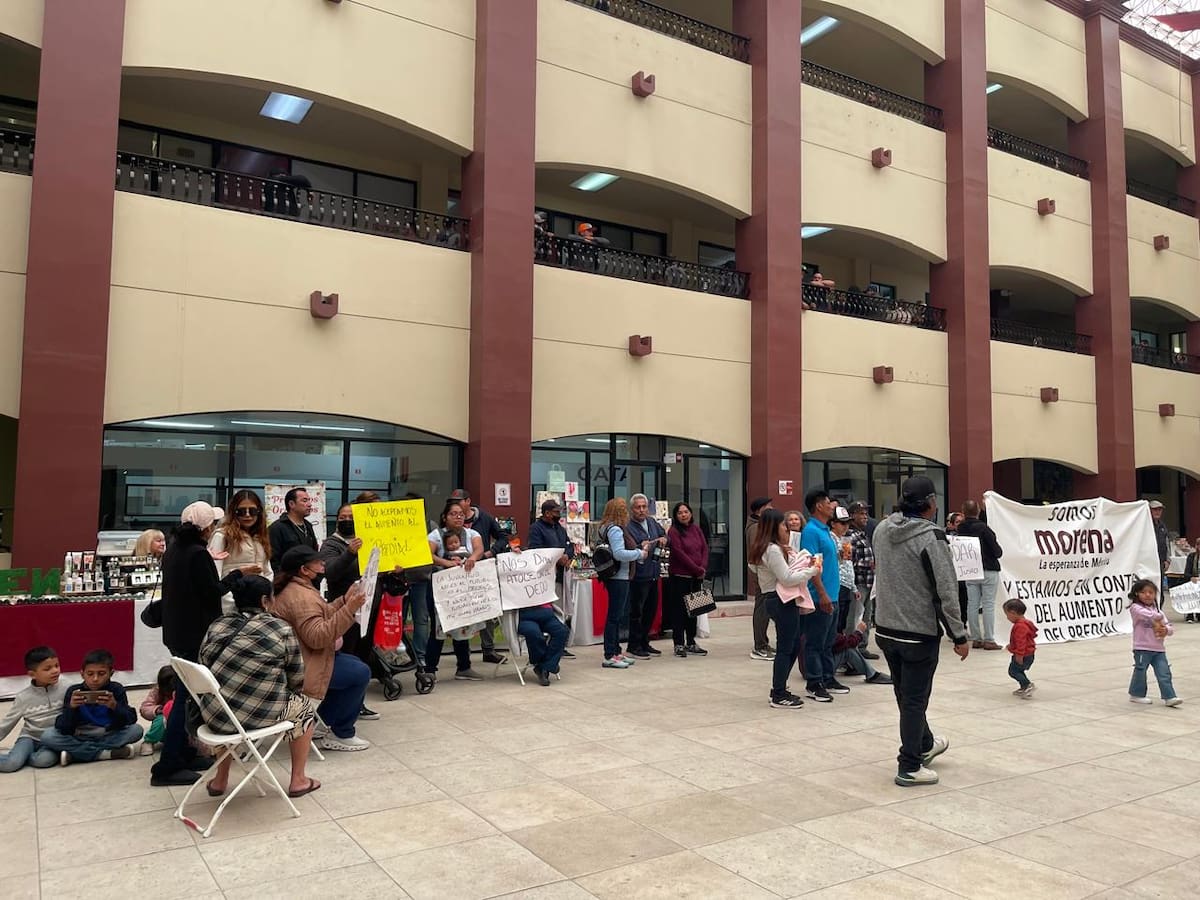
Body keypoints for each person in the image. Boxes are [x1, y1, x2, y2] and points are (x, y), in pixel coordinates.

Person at [873, 475, 969, 787]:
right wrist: (959, 635)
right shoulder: (932, 537)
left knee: (905, 695)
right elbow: (946, 589)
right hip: (918, 633)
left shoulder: (882, 529)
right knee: (915, 699)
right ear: (929, 503)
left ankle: (924, 744)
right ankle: (909, 765)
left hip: (886, 628)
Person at [152, 500, 248, 787]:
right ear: (207, 527)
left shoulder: (175, 550)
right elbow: (212, 592)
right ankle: (167, 766)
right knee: (185, 699)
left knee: (190, 697)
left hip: (176, 634)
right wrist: (238, 575)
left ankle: (183, 754)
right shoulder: (197, 554)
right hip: (195, 636)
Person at [199, 575, 321, 797]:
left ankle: (220, 780)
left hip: (214, 715)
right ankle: (298, 781)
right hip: (256, 717)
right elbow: (296, 679)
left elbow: (203, 664)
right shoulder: (279, 628)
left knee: (226, 699)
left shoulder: (218, 624)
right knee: (304, 708)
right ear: (265, 600)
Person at [272, 547, 373, 750]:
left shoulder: (299, 589)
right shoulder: (301, 597)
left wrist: (345, 600)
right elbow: (317, 638)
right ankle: (341, 732)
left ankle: (320, 721)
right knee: (360, 673)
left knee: (354, 665)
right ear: (304, 569)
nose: (322, 566)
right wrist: (350, 608)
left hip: (304, 658)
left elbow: (324, 613)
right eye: (318, 563)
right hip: (303, 666)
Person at [748, 509, 821, 709]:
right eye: (782, 525)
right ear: (773, 527)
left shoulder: (769, 548)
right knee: (786, 648)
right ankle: (778, 693)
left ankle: (779, 688)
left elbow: (756, 568)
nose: (786, 528)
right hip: (780, 599)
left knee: (794, 644)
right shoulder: (771, 550)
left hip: (777, 599)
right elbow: (787, 579)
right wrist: (811, 571)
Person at [40, 648, 143, 766]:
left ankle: (76, 754)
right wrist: (72, 708)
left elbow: (129, 720)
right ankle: (105, 754)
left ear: (111, 673)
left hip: (107, 734)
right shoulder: (74, 691)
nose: (95, 679)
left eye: (101, 673)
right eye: (90, 674)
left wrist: (115, 706)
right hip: (80, 736)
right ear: (82, 674)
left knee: (136, 730)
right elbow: (64, 727)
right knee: (48, 736)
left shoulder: (116, 689)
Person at [424, 499, 485, 682]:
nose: (458, 517)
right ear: (445, 517)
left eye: (460, 514)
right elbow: (429, 554)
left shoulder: (472, 533)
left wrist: (472, 558)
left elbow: (479, 548)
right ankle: (430, 669)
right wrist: (448, 563)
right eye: (453, 514)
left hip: (463, 590)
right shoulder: (436, 535)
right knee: (439, 627)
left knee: (463, 624)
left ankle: (464, 667)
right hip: (441, 588)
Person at [801, 488, 847, 701]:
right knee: (815, 642)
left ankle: (828, 677)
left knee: (828, 641)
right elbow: (811, 565)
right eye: (829, 502)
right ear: (819, 506)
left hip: (833, 593)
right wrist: (822, 593)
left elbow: (826, 560)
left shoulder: (825, 530)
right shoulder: (811, 531)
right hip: (821, 596)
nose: (833, 506)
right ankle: (814, 682)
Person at [451, 488, 507, 664]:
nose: (456, 506)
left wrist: (491, 552)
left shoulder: (484, 517)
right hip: (457, 572)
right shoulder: (451, 520)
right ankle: (463, 654)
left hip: (481, 569)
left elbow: (503, 537)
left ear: (468, 501)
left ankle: (488, 649)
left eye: (459, 501)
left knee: (488, 608)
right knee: (463, 610)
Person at [598, 497, 648, 669]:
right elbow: (619, 554)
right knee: (615, 616)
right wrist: (639, 554)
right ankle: (610, 654)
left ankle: (616, 651)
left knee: (617, 616)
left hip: (617, 576)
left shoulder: (606, 527)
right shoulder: (616, 530)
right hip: (619, 577)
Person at [0, 646, 67, 772]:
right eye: (47, 668)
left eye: (57, 665)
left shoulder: (67, 687)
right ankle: (19, 756)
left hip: (52, 740)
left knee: (43, 761)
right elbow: (6, 724)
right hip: (29, 738)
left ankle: (25, 757)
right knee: (11, 764)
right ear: (32, 674)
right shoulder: (23, 697)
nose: (55, 671)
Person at [526, 498, 577, 659]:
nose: (558, 514)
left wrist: (567, 555)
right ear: (547, 513)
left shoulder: (559, 528)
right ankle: (549, 643)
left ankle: (559, 645)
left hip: (561, 574)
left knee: (561, 610)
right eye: (556, 512)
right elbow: (535, 550)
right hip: (546, 577)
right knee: (551, 611)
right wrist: (556, 558)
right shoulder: (536, 528)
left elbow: (569, 545)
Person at [209, 489, 271, 613]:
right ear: (234, 512)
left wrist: (268, 596)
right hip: (231, 607)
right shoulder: (222, 536)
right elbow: (215, 575)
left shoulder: (260, 537)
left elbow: (267, 571)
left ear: (259, 512)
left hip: (259, 605)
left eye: (252, 511)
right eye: (241, 511)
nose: (247, 515)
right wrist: (231, 602)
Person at [956, 500, 1004, 650]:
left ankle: (976, 638)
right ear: (977, 511)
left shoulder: (961, 529)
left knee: (972, 604)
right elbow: (997, 551)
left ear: (963, 512)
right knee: (988, 604)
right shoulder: (984, 529)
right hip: (988, 568)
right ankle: (989, 639)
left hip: (970, 569)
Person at [665, 501, 710, 658]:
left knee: (694, 611)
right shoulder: (673, 532)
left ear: (690, 513)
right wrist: (696, 569)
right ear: (676, 516)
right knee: (679, 612)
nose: (683, 515)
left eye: (686, 512)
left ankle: (691, 642)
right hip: (680, 577)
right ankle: (679, 644)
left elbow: (704, 548)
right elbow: (679, 553)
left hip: (696, 578)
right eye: (680, 513)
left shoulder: (696, 529)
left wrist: (702, 568)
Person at [626, 493, 667, 658]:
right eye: (638, 507)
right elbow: (627, 547)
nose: (642, 510)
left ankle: (644, 642)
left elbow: (663, 534)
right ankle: (633, 645)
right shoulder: (628, 526)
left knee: (651, 610)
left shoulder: (651, 522)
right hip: (638, 575)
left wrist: (664, 539)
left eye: (644, 507)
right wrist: (639, 546)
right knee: (637, 612)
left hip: (654, 572)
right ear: (632, 509)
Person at [1127, 578, 1181, 707]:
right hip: (1142, 647)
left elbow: (1170, 628)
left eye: (1151, 592)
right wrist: (1159, 617)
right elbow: (1148, 615)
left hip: (1158, 649)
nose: (1148, 595)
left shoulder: (1158, 611)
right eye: (1144, 592)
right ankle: (1136, 694)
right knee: (1140, 671)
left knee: (1164, 672)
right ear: (1137, 594)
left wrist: (1165, 630)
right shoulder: (1135, 608)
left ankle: (1169, 696)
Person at [846, 501, 879, 659]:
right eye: (861, 513)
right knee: (855, 616)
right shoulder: (850, 536)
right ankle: (852, 650)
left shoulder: (864, 534)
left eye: (866, 513)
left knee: (867, 616)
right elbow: (848, 561)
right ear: (852, 516)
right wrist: (869, 563)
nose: (865, 516)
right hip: (858, 582)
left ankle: (862, 646)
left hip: (869, 582)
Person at [747, 497, 776, 660]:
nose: (771, 508)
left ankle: (763, 642)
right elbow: (755, 553)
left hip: (762, 572)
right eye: (768, 506)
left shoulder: (760, 525)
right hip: (761, 573)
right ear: (760, 509)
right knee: (762, 608)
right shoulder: (755, 528)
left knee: (764, 607)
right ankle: (760, 645)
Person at [268, 487, 320, 576]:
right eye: (304, 501)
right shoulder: (277, 528)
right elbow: (274, 561)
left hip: (310, 580)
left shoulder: (308, 526)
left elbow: (314, 554)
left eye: (309, 500)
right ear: (291, 504)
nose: (309, 504)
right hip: (288, 582)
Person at [1003, 599, 1037, 699]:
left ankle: (1027, 685)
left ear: (1013, 613)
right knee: (1018, 670)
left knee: (1013, 671)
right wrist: (1011, 646)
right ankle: (1023, 687)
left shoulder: (1020, 626)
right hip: (1028, 654)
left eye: (1007, 614)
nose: (1007, 618)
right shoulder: (1026, 623)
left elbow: (1021, 642)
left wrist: (1019, 654)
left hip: (1023, 655)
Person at [139, 664, 176, 750]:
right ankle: (149, 741)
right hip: (164, 728)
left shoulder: (184, 690)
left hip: (181, 727)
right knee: (161, 720)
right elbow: (144, 708)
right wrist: (157, 710)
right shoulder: (156, 691)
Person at [1149, 500, 1170, 602]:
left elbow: (1166, 543)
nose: (1157, 512)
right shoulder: (1146, 525)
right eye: (1155, 510)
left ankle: (1159, 610)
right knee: (1149, 586)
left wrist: (1167, 559)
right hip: (1149, 562)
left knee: (1160, 588)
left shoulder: (1162, 526)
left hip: (1161, 562)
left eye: (1159, 509)